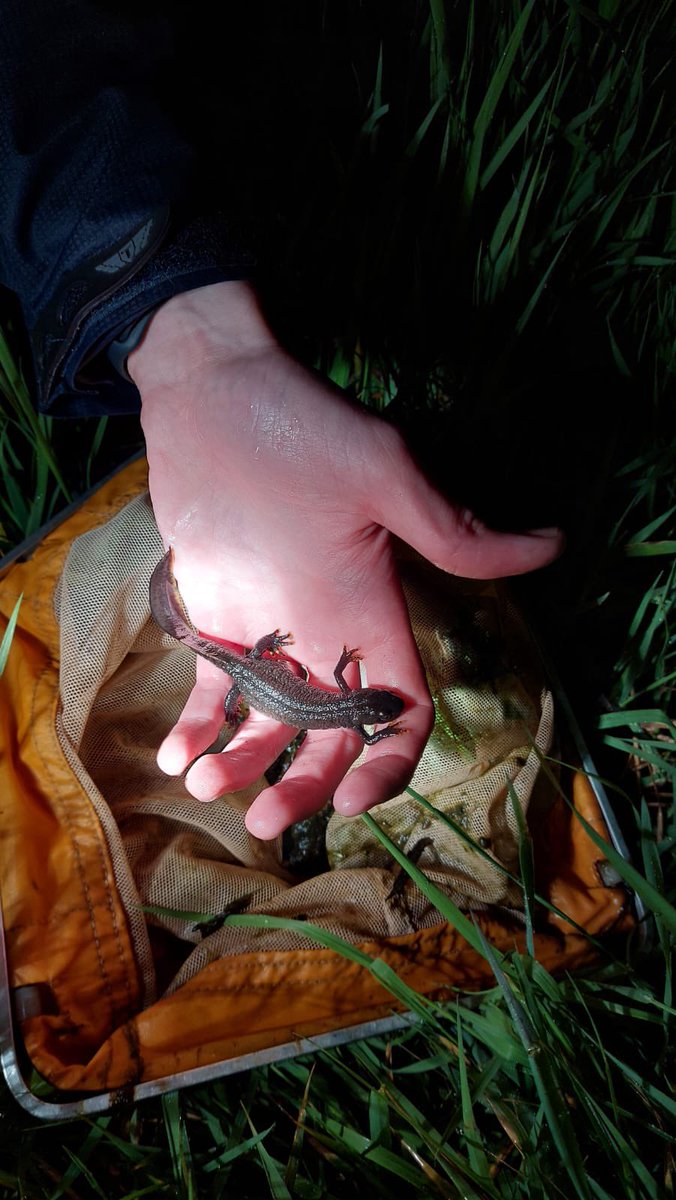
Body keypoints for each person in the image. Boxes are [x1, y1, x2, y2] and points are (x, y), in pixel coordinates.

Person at [1, 3, 563, 840]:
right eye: (370, 708)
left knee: (247, 673)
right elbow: (335, 684)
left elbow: (331, 682)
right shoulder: (343, 699)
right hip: (254, 660)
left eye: (369, 709)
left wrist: (197, 352)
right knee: (250, 673)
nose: (365, 703)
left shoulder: (342, 698)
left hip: (254, 662)